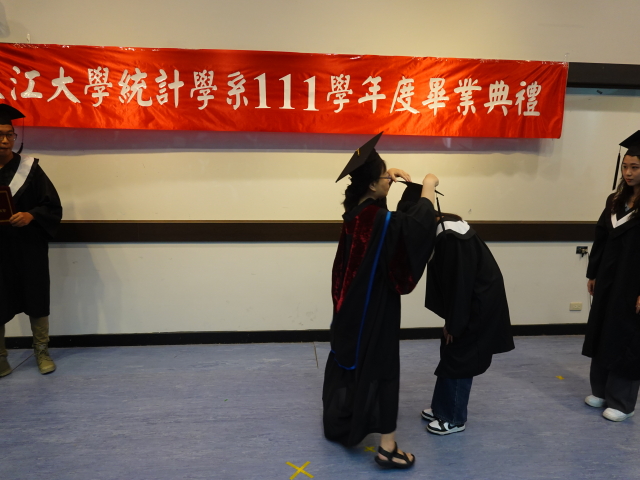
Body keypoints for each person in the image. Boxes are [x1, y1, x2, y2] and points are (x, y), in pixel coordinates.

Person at [322, 133, 439, 470]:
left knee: (353, 363)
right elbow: (414, 228)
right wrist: (427, 189)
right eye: (385, 177)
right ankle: (387, 448)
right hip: (374, 307)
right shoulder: (377, 219)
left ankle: (345, 421)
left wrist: (388, 176)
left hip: (349, 305)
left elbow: (386, 228)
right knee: (384, 366)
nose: (390, 179)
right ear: (372, 185)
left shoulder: (357, 210)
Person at [397, 183, 514, 435]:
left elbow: (460, 284)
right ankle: (442, 406)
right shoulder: (445, 227)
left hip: (478, 303)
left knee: (460, 354)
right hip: (470, 300)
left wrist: (454, 323)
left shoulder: (450, 237)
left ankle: (453, 418)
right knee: (451, 349)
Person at [0, 104, 62, 377]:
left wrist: (31, 215)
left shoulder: (31, 169)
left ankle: (41, 350)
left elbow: (52, 206)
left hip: (28, 245)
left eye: (9, 135)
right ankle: (0, 356)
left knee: (36, 296)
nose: (5, 140)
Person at [583, 131, 640, 422]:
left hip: (633, 284)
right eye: (625, 167)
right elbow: (601, 237)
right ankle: (601, 390)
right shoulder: (615, 200)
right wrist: (593, 272)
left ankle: (622, 401)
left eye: (635, 167)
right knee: (603, 329)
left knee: (627, 335)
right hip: (608, 280)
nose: (628, 173)